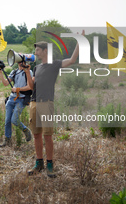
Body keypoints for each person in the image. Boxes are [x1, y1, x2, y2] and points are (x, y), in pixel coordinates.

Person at [27, 31, 84, 178]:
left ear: (45, 51)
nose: (36, 53)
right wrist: (27, 71)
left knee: (47, 136)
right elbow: (32, 86)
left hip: (46, 103)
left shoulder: (54, 64)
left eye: (38, 50)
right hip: (34, 103)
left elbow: (72, 60)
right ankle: (39, 163)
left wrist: (80, 40)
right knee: (36, 135)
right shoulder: (36, 68)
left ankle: (50, 165)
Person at [0, 60, 33, 147]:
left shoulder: (28, 72)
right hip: (11, 99)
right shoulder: (14, 72)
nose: (20, 63)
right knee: (7, 121)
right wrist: (1, 72)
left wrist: (18, 89)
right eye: (19, 61)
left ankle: (26, 130)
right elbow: (6, 83)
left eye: (22, 61)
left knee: (14, 119)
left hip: (21, 99)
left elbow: (30, 86)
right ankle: (7, 140)